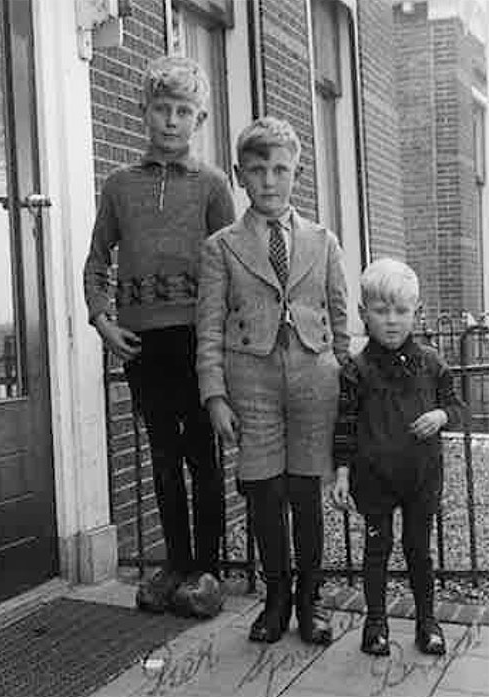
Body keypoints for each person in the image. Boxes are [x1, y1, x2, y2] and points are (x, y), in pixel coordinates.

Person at [83, 55, 235, 618]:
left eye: (183, 111)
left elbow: (231, 263)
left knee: (203, 456)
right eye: (162, 109)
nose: (171, 120)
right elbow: (97, 261)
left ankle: (207, 571)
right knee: (164, 455)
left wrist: (221, 340)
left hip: (198, 339)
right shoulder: (120, 186)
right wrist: (103, 319)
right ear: (143, 111)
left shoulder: (213, 185)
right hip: (142, 343)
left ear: (197, 119)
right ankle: (174, 563)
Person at [196, 117, 349, 644]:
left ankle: (311, 600)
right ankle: (276, 598)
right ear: (240, 175)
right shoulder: (221, 246)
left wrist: (343, 380)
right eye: (257, 170)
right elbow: (209, 327)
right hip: (250, 379)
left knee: (306, 492)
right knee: (263, 491)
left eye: (280, 169)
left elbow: (341, 316)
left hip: (314, 378)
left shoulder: (323, 240)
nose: (269, 181)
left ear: (297, 173)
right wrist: (214, 394)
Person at [332, 258, 465, 656]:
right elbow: (345, 427)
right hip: (373, 478)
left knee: (418, 551)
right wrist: (341, 474)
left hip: (421, 477)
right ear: (363, 314)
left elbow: (458, 408)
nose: (391, 320)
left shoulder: (432, 363)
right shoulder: (356, 370)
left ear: (416, 313)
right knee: (377, 550)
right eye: (381, 310)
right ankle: (375, 624)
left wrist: (441, 415)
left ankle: (428, 621)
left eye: (401, 311)